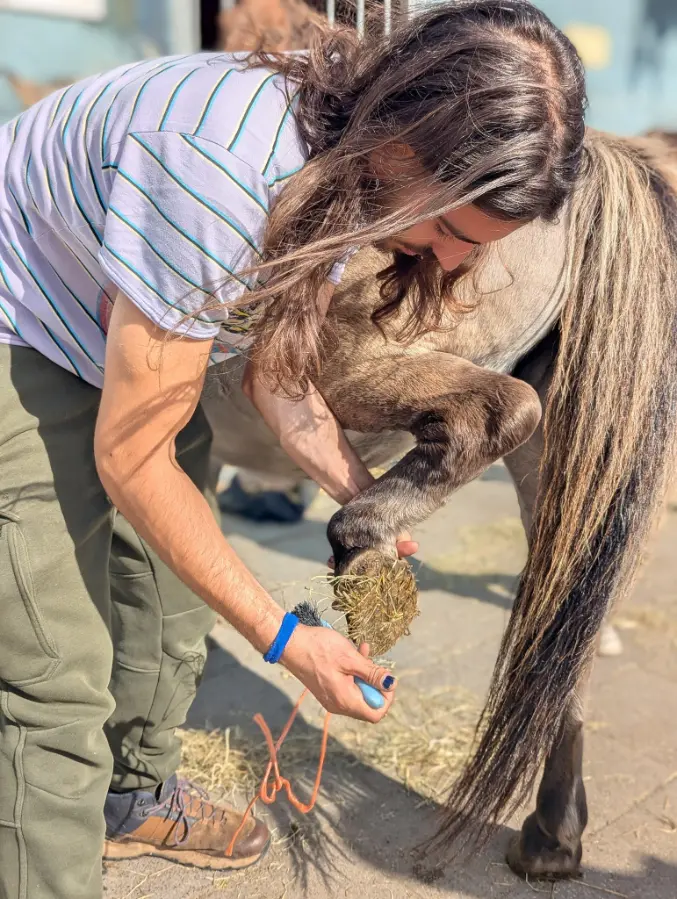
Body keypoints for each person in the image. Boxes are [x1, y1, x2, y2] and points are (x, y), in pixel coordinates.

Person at [0, 2, 586, 897]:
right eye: (454, 235)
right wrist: (288, 641)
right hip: (22, 321)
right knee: (54, 676)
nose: (451, 265)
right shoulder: (215, 171)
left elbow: (275, 373)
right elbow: (131, 457)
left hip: (125, 319)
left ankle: (132, 797)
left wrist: (360, 496)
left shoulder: (347, 170)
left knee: (165, 602)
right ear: (410, 148)